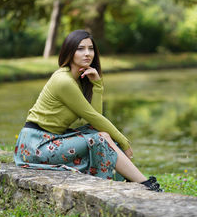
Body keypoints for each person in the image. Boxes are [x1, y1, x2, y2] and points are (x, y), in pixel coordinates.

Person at [14, 29, 162, 192]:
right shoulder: (64, 81)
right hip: (36, 146)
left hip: (52, 139)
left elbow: (95, 118)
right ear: (69, 52)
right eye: (80, 48)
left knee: (101, 134)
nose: (87, 53)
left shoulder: (77, 80)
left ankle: (137, 182)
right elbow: (93, 117)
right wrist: (124, 142)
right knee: (101, 138)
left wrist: (97, 85)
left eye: (90, 48)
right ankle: (145, 184)